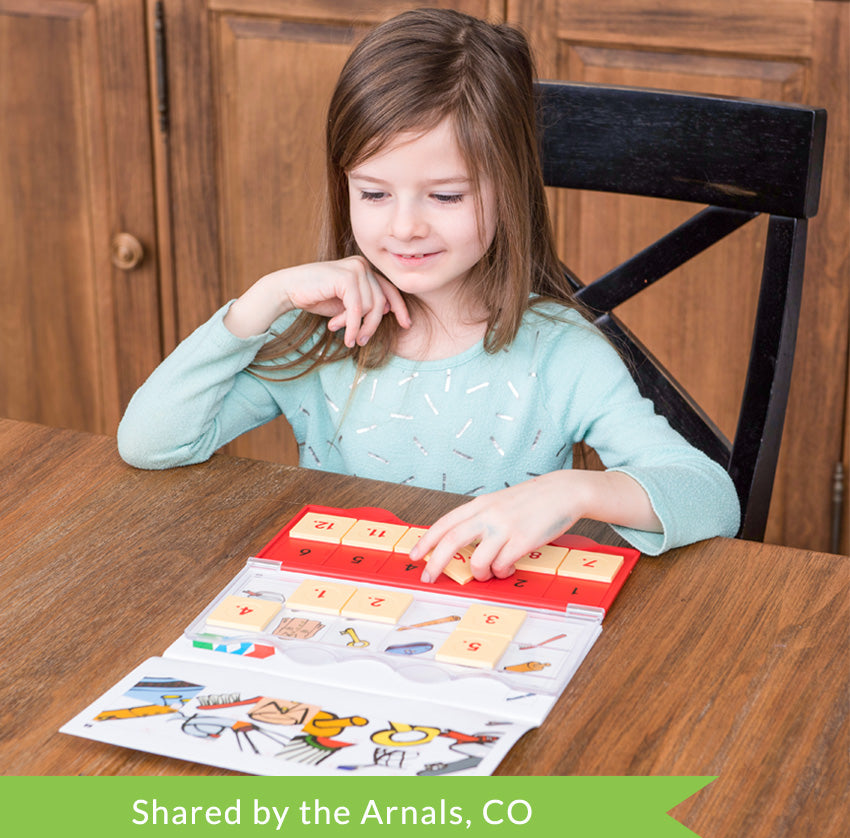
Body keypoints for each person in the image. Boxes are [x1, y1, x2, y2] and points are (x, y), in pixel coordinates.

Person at [117, 8, 739, 582]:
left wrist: (574, 492)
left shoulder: (562, 354)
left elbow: (710, 497)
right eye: (373, 193)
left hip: (493, 629)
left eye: (446, 196)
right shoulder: (325, 333)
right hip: (340, 610)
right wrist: (263, 299)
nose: (405, 226)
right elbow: (151, 443)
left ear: (510, 188)